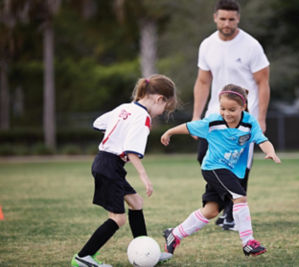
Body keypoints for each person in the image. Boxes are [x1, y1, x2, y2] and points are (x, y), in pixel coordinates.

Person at [161, 84, 281, 257]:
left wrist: (270, 152)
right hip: (214, 167)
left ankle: (174, 235)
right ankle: (248, 242)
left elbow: (262, 139)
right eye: (223, 108)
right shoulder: (213, 121)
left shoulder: (250, 122)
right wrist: (169, 132)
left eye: (232, 109)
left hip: (230, 171)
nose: (226, 113)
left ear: (243, 106)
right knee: (239, 197)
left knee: (211, 211)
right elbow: (190, 126)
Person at [71, 74, 177, 267]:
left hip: (106, 163)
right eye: (165, 108)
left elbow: (98, 124)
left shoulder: (124, 108)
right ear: (159, 98)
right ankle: (83, 257)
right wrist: (145, 177)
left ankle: (146, 252)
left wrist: (118, 132)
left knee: (136, 202)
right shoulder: (143, 117)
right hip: (109, 166)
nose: (161, 112)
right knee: (118, 219)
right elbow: (132, 151)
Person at [192, 0, 271, 230]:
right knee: (204, 159)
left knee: (237, 166)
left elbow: (262, 83)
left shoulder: (251, 45)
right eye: (223, 18)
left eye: (232, 19)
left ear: (238, 19)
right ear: (215, 17)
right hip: (215, 116)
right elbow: (203, 81)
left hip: (243, 119)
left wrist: (261, 118)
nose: (227, 23)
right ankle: (226, 207)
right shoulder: (207, 45)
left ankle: (232, 214)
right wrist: (197, 115)